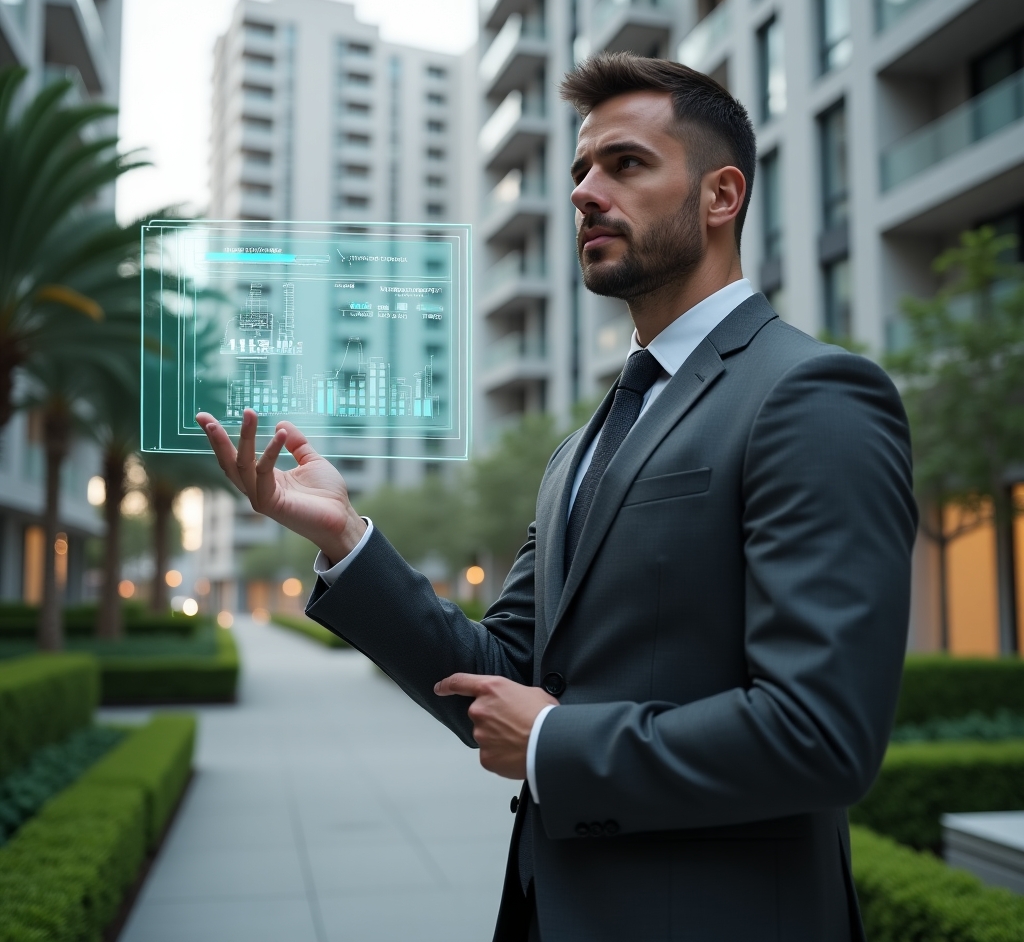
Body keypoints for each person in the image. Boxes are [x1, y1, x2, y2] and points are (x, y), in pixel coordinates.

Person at [198, 53, 916, 942]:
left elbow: (823, 733)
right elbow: (501, 677)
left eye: (626, 164)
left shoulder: (813, 394)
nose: (583, 192)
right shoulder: (581, 447)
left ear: (721, 196)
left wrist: (554, 746)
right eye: (579, 169)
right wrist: (346, 538)